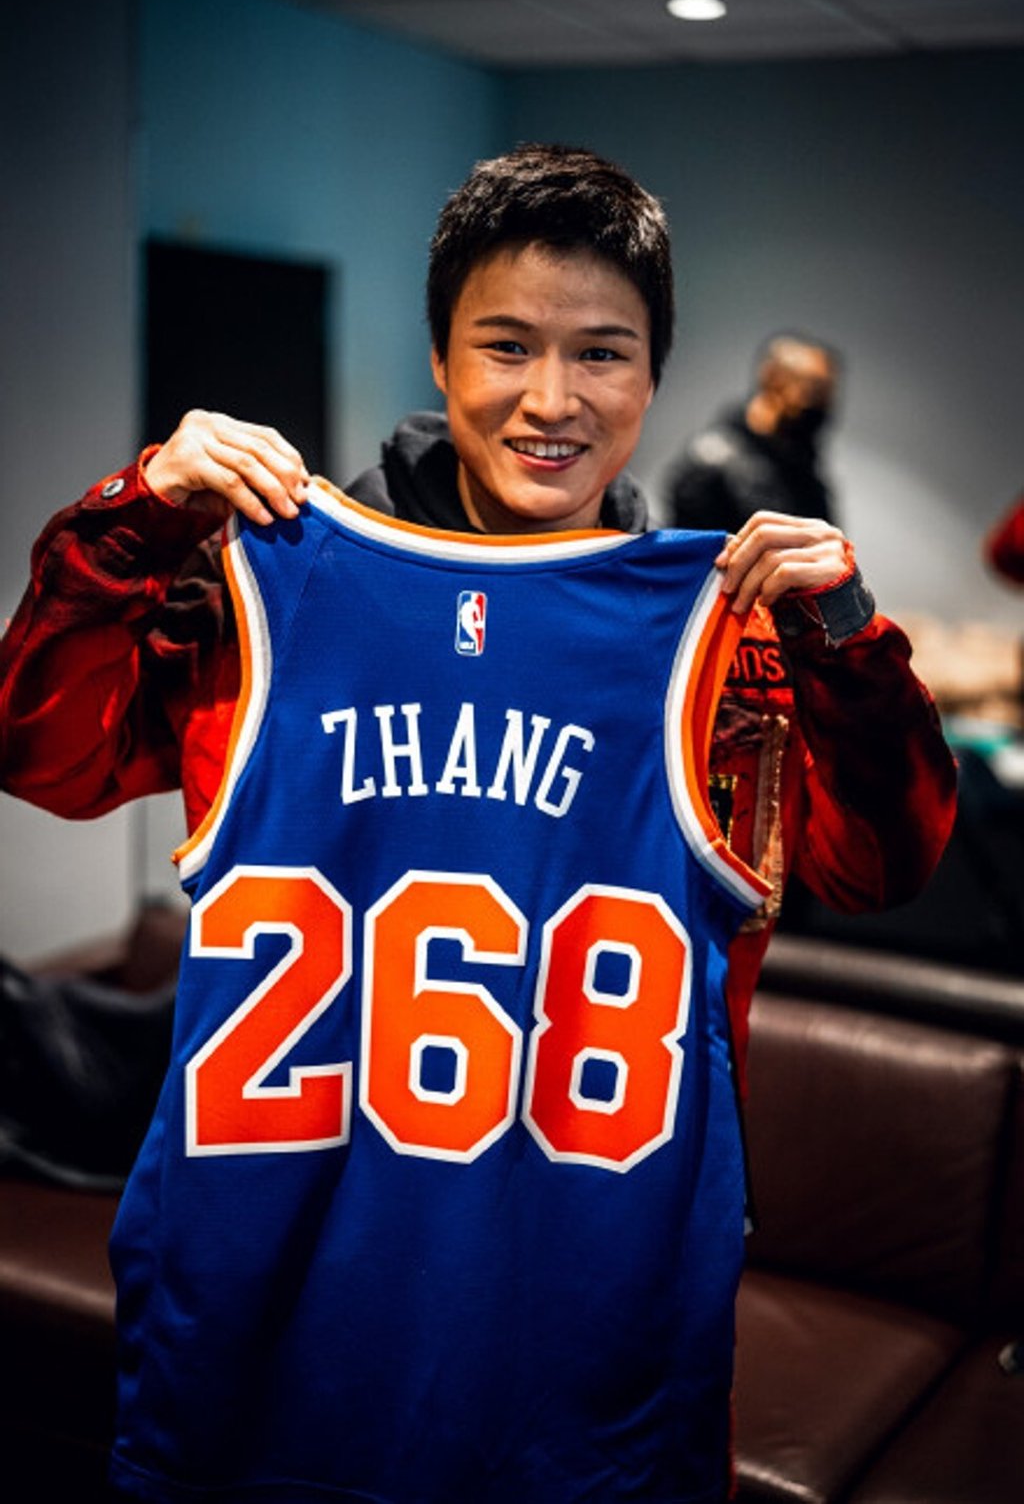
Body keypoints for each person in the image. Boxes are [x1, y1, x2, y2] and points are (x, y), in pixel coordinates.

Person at [0, 144, 955, 1504]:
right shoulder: (264, 587)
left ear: (653, 378)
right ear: (441, 359)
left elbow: (885, 860)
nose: (551, 398)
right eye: (506, 345)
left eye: (603, 354)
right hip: (262, 1330)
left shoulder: (721, 644)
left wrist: (851, 647)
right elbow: (42, 745)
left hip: (581, 1347)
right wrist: (132, 524)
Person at [666, 332, 841, 533]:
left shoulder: (802, 467)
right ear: (773, 379)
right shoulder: (711, 462)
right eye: (813, 391)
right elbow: (696, 556)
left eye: (827, 396)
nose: (820, 406)